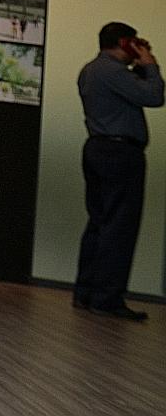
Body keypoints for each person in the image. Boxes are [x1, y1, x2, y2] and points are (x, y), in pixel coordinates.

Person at [73, 22, 162, 321]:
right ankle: (107, 298)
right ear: (124, 43)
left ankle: (86, 292)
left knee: (99, 222)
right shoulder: (111, 71)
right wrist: (150, 66)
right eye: (133, 43)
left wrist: (138, 67)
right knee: (119, 227)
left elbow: (128, 94)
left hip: (98, 148)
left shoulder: (91, 70)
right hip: (120, 153)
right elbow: (153, 96)